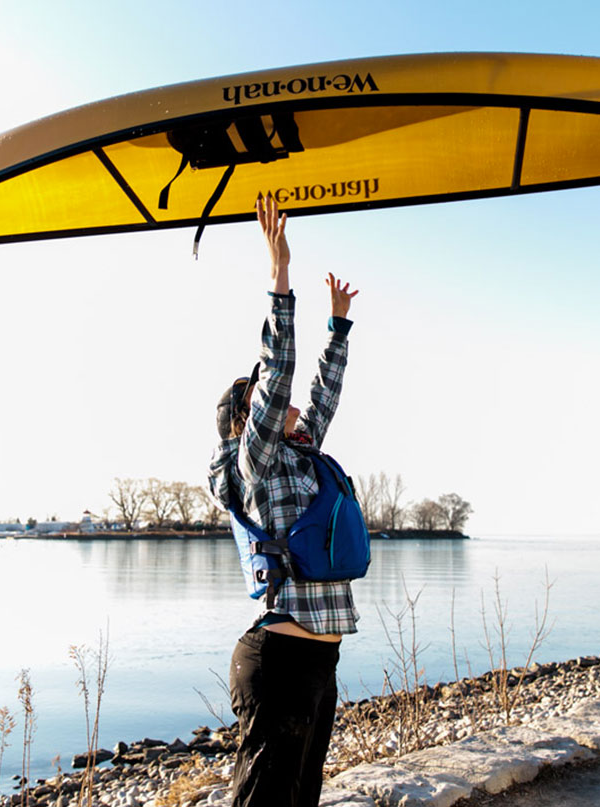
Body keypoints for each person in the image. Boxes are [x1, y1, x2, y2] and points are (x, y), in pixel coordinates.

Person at [207, 196, 361, 807]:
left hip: (318, 664)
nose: (288, 401)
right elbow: (280, 372)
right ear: (250, 419)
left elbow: (325, 390)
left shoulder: (301, 453)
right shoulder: (259, 461)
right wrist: (280, 277)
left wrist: (339, 328)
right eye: (266, 399)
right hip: (278, 660)